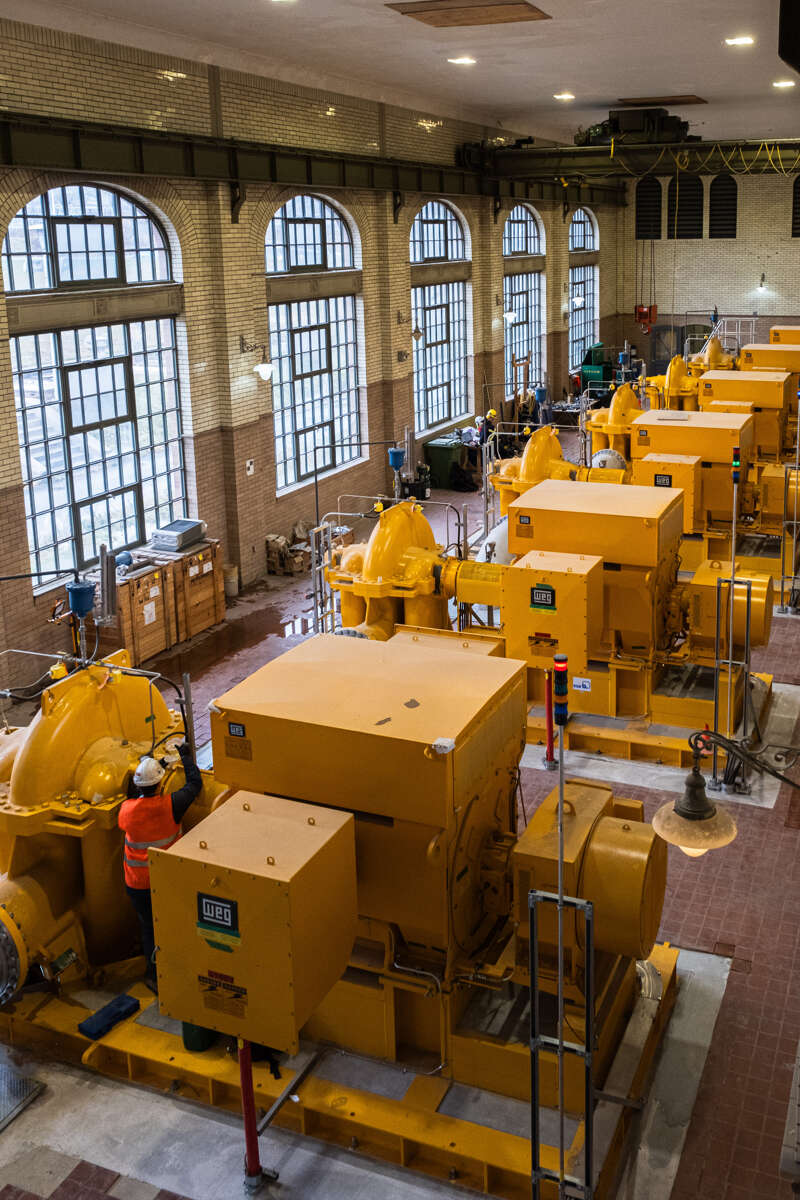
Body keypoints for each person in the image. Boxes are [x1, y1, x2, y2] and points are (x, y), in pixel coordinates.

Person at [118, 742, 202, 991]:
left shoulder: (127, 811)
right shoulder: (171, 805)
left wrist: (154, 766)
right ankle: (181, 971)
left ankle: (154, 976)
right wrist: (186, 758)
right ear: (160, 783)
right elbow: (194, 786)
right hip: (165, 881)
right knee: (174, 924)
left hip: (136, 885)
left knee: (149, 929)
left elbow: (135, 799)